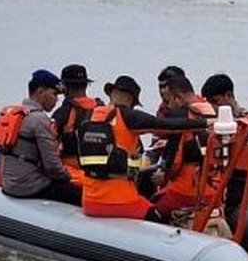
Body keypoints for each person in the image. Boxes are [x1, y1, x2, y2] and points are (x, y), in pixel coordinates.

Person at [77, 75, 202, 220]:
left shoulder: (90, 116)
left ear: (111, 93)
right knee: (156, 216)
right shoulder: (128, 116)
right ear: (130, 100)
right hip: (119, 201)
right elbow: (167, 126)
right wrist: (205, 124)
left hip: (89, 201)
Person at [0, 68, 82, 206]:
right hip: (30, 186)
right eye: (54, 94)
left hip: (10, 183)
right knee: (80, 194)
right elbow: (52, 167)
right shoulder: (40, 120)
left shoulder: (17, 114)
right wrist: (70, 177)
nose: (57, 100)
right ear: (40, 92)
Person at [200, 72, 248, 226]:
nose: (213, 108)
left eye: (216, 102)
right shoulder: (213, 122)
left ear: (228, 96)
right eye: (210, 104)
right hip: (224, 180)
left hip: (242, 183)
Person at [149, 74, 219, 220]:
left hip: (185, 191)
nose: (166, 106)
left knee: (150, 214)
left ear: (178, 98)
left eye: (167, 101)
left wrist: (162, 174)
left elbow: (174, 162)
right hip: (214, 190)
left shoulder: (180, 117)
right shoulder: (213, 112)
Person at [52, 63, 102, 182]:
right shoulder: (102, 109)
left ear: (64, 87)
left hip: (72, 174)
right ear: (86, 85)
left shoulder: (62, 113)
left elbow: (50, 147)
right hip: (100, 175)